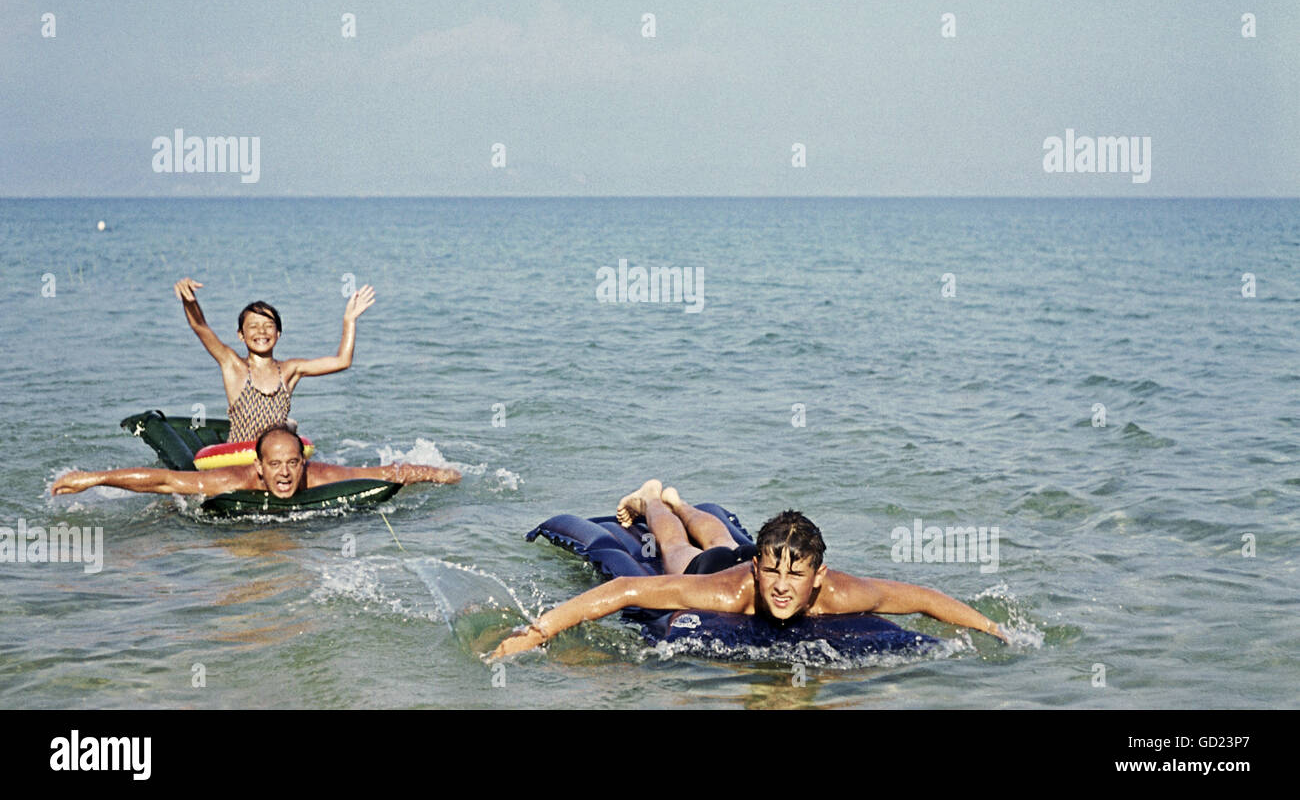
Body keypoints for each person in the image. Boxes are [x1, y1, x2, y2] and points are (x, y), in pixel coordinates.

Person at [490, 480, 1008, 659]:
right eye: (774, 575)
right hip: (715, 567)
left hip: (743, 548)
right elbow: (628, 588)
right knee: (678, 545)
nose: (782, 589)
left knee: (715, 527)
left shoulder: (842, 592)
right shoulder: (730, 592)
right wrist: (534, 634)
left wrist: (991, 629)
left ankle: (678, 498)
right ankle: (652, 501)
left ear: (818, 577)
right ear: (761, 569)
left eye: (796, 577)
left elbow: (920, 597)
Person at [173, 277, 376, 442]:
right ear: (241, 335)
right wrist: (189, 301)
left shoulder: (290, 370)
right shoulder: (233, 365)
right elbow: (200, 326)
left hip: (276, 460)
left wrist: (349, 320)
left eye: (268, 326)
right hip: (240, 457)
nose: (261, 331)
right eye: (253, 326)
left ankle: (288, 428)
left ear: (278, 333)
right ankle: (289, 427)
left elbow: (342, 361)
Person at [51, 425, 460, 499]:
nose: (284, 472)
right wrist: (93, 479)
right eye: (275, 465)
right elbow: (166, 482)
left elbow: (391, 473)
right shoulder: (236, 479)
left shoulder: (322, 476)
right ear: (260, 467)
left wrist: (441, 474)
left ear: (303, 462)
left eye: (292, 464)